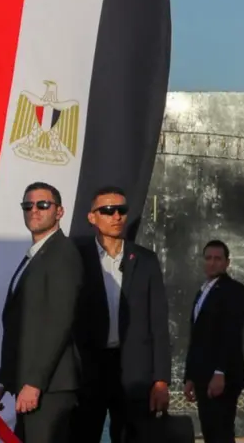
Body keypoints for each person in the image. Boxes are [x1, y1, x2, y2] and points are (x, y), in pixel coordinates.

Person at [72, 186, 171, 442]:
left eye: (122, 210)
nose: (116, 216)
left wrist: (161, 380)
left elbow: (158, 323)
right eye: (107, 210)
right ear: (92, 217)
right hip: (90, 370)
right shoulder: (77, 259)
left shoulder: (145, 260)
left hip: (134, 373)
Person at [0, 182, 83, 443]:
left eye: (43, 205)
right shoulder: (36, 256)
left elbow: (58, 323)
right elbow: (21, 326)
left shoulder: (62, 254)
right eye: (28, 206)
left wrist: (35, 383)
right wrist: (4, 382)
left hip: (51, 388)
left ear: (59, 211)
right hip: (33, 385)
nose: (35, 211)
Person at [184, 240, 244, 443]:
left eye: (217, 259)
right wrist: (190, 376)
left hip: (223, 378)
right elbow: (196, 336)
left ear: (227, 262)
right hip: (203, 376)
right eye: (208, 258)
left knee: (221, 432)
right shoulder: (202, 291)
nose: (212, 263)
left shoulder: (235, 291)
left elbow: (231, 333)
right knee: (210, 433)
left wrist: (220, 372)